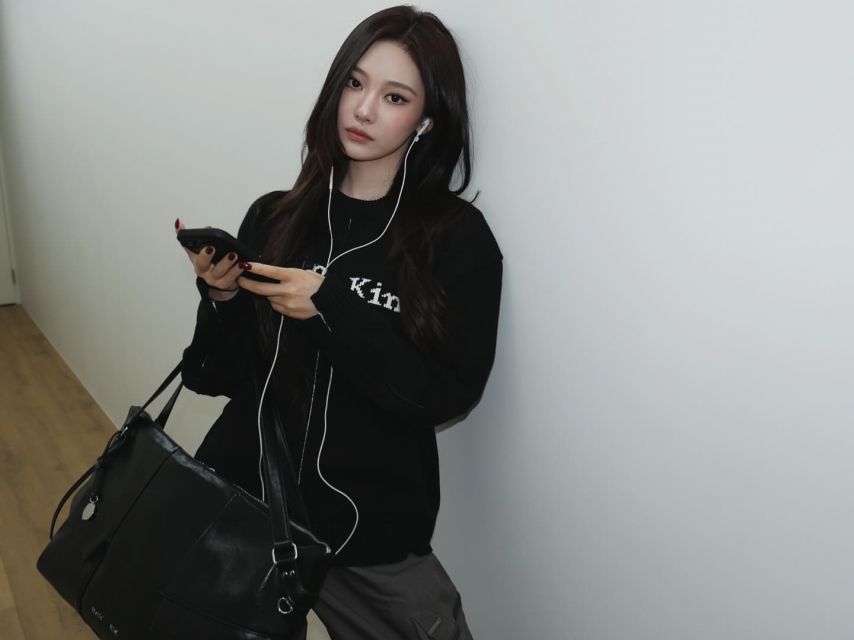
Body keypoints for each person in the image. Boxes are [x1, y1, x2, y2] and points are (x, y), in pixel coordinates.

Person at [176, 6, 502, 639]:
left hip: (366, 532)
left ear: (426, 119)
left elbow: (444, 395)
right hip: (245, 508)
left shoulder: (455, 239)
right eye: (354, 83)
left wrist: (329, 310)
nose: (364, 109)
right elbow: (213, 377)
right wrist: (220, 298)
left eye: (395, 96)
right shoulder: (276, 216)